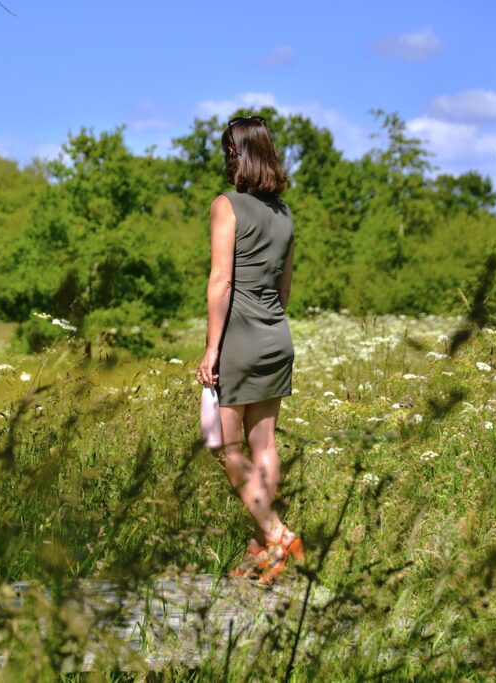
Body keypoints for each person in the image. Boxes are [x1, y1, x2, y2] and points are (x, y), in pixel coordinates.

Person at [195, 114, 304, 585]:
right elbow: (284, 290)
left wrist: (210, 350)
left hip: (238, 337)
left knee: (225, 446)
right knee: (265, 443)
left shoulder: (227, 205)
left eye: (229, 151)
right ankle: (264, 550)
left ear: (237, 155)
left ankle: (278, 534)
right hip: (276, 336)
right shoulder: (284, 215)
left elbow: (220, 280)